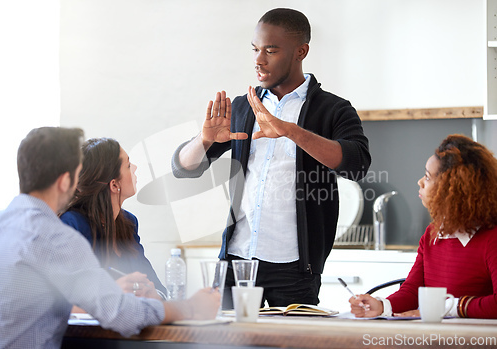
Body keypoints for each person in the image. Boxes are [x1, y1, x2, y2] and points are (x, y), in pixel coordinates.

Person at [172, 8, 371, 308]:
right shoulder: (243, 107)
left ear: (300, 51)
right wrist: (204, 140)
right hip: (235, 262)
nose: (259, 59)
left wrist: (291, 131)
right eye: (255, 49)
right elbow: (183, 169)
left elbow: (357, 164)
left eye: (271, 50)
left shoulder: (334, 109)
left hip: (294, 268)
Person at [0, 127, 220, 349]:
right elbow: (119, 313)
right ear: (66, 181)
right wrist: (191, 307)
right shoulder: (55, 237)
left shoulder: (3, 225)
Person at [349, 134, 497, 319]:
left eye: (427, 177)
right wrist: (381, 305)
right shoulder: (432, 234)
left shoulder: (492, 238)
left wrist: (450, 307)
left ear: (452, 187)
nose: (420, 182)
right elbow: (412, 291)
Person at [61, 137, 166, 298]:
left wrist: (153, 294)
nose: (135, 168)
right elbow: (62, 296)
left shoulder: (129, 223)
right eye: (129, 165)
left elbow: (159, 289)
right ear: (114, 185)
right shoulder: (71, 224)